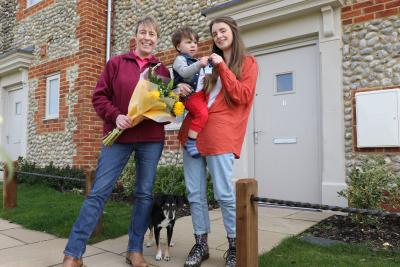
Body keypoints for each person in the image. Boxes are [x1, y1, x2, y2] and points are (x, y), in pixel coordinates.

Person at [62, 16, 170, 267]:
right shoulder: (116, 63)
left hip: (151, 140)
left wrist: (167, 106)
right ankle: (73, 254)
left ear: (157, 39)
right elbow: (99, 97)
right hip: (118, 137)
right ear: (135, 36)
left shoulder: (162, 70)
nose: (147, 37)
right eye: (143, 32)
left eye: (152, 34)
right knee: (98, 193)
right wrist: (116, 116)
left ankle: (135, 251)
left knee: (144, 195)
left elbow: (164, 111)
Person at [178, 16, 258, 267]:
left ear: (233, 31)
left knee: (224, 193)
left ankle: (235, 246)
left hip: (219, 136)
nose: (218, 36)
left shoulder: (247, 63)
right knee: (194, 193)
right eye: (214, 33)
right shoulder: (208, 66)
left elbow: (243, 96)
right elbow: (199, 97)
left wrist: (222, 66)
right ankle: (201, 244)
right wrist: (181, 87)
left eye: (222, 30)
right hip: (193, 133)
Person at [171, 27, 210, 158]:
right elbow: (184, 72)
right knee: (202, 114)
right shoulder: (180, 60)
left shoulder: (195, 61)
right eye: (188, 42)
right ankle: (191, 142)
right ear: (178, 46)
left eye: (195, 42)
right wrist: (199, 64)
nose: (193, 45)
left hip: (200, 94)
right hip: (190, 96)